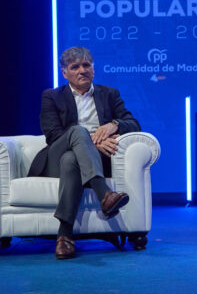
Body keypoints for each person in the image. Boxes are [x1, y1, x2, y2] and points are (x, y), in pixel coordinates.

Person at [27, 46, 141, 259]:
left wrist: (114, 124)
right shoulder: (51, 96)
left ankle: (64, 236)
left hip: (87, 163)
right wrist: (92, 144)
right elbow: (53, 136)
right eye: (75, 67)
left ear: (93, 69)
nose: (82, 70)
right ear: (65, 73)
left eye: (86, 65)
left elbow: (134, 123)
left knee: (73, 161)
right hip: (56, 158)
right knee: (76, 135)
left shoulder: (109, 94)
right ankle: (104, 194)